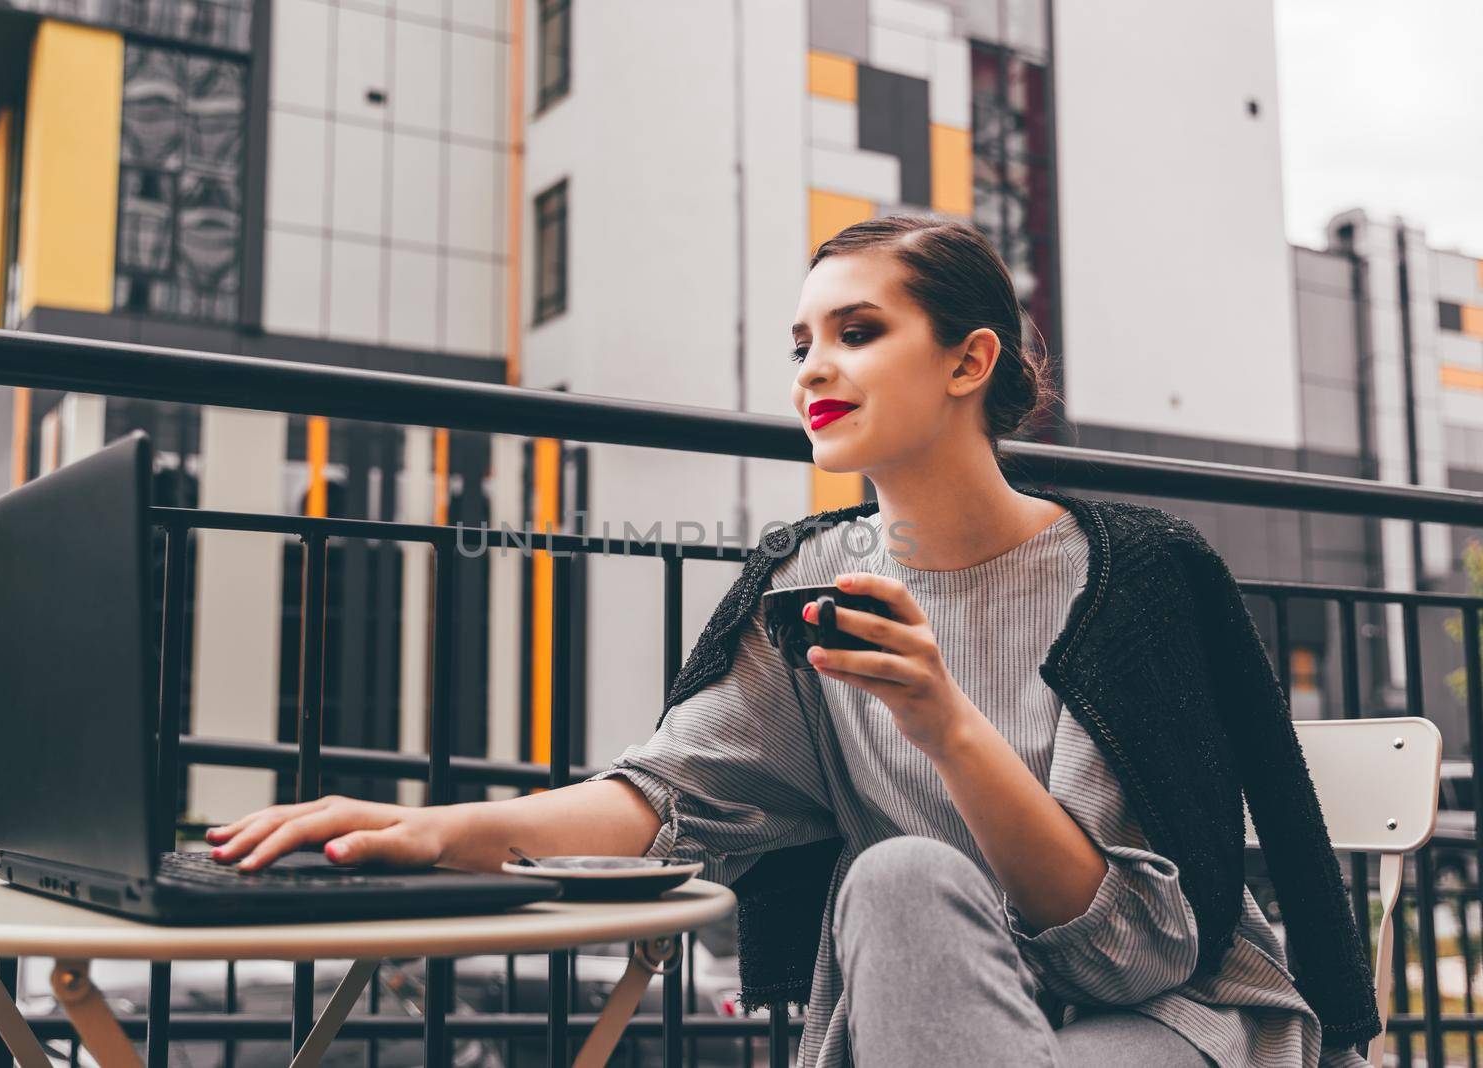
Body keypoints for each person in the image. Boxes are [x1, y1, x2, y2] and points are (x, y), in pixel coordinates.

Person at [205, 215, 1375, 1067]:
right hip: (925, 1015)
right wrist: (429, 829)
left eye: (858, 332)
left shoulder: (1131, 579)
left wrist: (944, 725)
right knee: (900, 876)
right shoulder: (808, 579)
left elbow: (1133, 952)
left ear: (970, 360)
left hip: (1158, 1023)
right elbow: (666, 795)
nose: (814, 367)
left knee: (918, 881)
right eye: (801, 342)